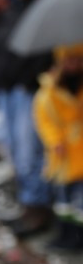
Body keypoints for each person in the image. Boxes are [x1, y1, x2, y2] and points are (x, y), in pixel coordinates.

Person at [0, 0, 54, 236]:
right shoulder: (12, 8)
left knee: (29, 153)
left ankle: (36, 208)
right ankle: (26, 201)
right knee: (14, 147)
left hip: (27, 91)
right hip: (8, 90)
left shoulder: (42, 9)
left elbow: (42, 53)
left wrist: (28, 78)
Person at [34, 44, 83, 251]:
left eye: (78, 59)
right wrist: (54, 141)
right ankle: (66, 234)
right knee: (63, 198)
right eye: (69, 59)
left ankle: (79, 237)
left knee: (80, 200)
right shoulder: (50, 90)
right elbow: (44, 119)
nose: (74, 64)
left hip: (80, 151)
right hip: (62, 154)